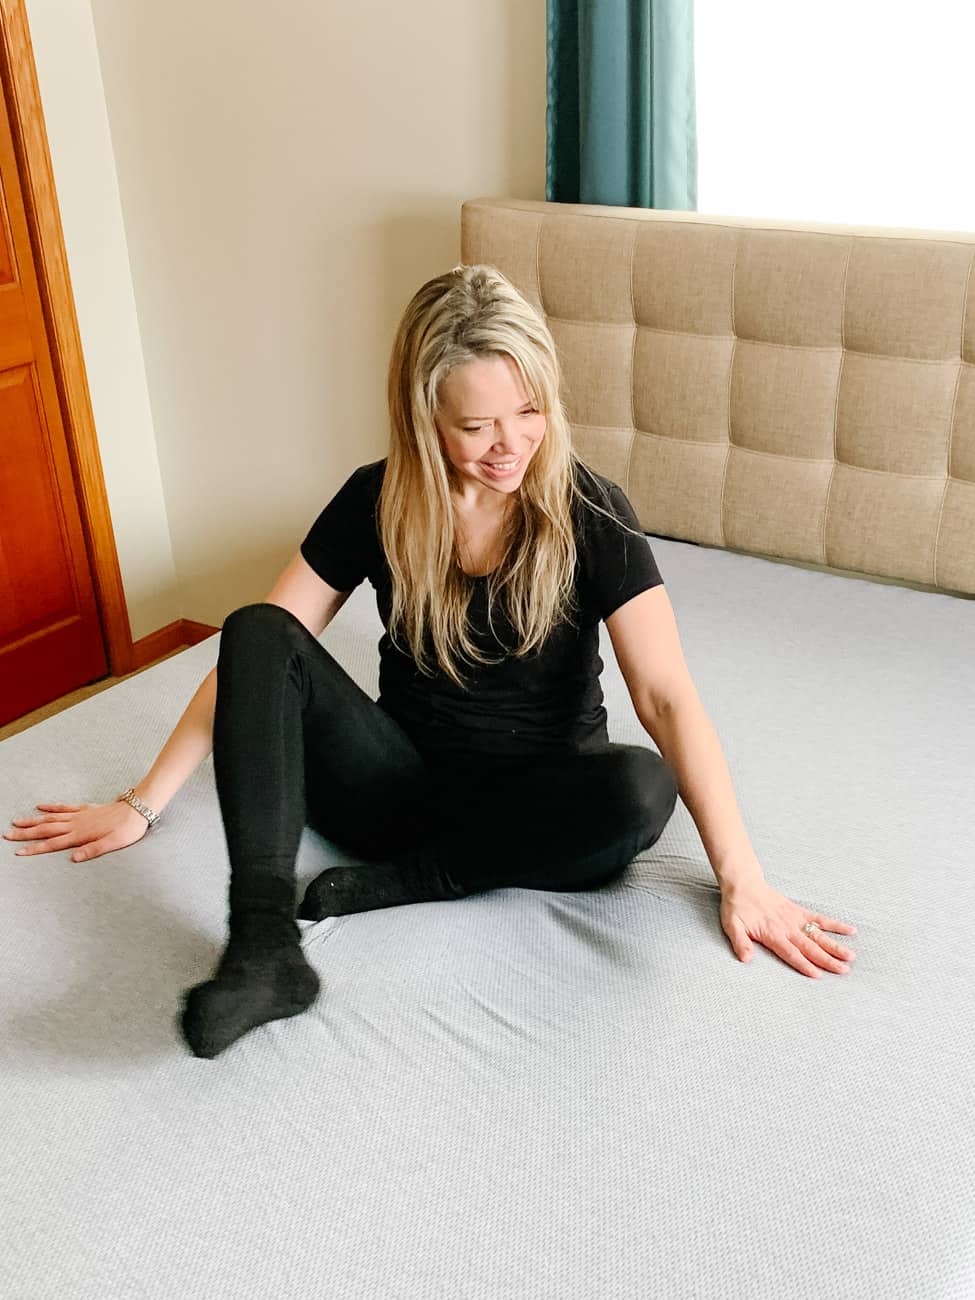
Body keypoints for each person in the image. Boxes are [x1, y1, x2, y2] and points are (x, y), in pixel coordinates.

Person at [4, 265, 857, 1060]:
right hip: (397, 790)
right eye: (475, 425)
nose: (509, 444)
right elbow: (260, 658)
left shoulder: (592, 510)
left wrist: (742, 879)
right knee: (255, 623)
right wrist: (141, 804)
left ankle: (416, 881)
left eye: (527, 412)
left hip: (541, 813)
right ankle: (264, 944)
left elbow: (665, 696)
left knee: (640, 788)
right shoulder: (376, 498)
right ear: (424, 417)